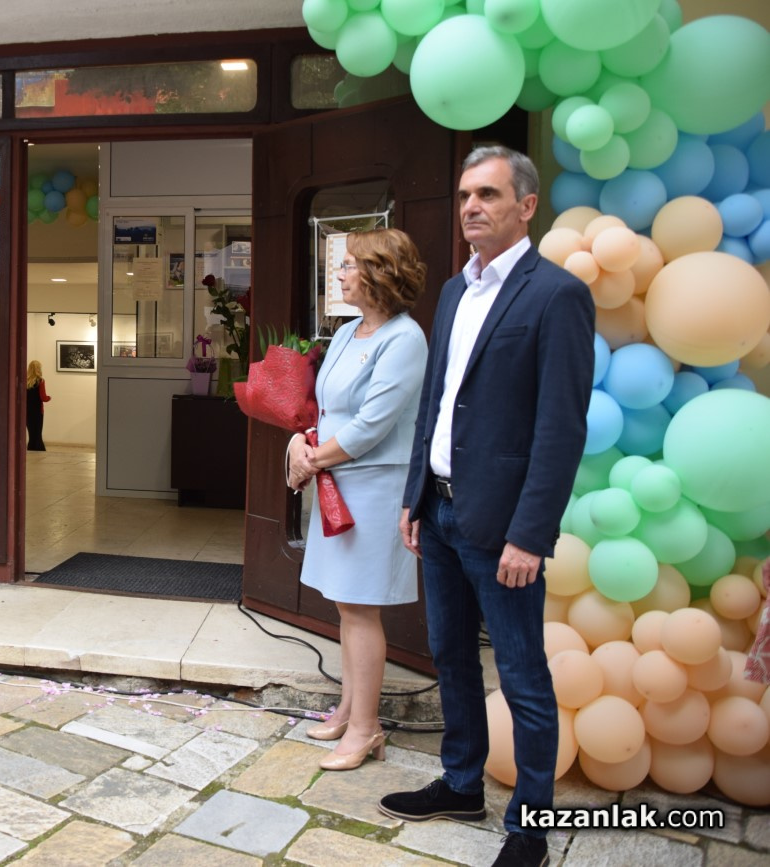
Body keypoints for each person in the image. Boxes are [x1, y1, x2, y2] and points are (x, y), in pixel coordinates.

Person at [381, 146, 595, 867]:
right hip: (440, 513)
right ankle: (461, 783)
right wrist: (414, 495)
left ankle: (529, 829)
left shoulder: (556, 295)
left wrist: (530, 534)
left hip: (503, 529)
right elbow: (435, 404)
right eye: (466, 194)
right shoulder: (453, 291)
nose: (472, 206)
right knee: (449, 656)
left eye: (489, 194)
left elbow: (560, 429)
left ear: (526, 206)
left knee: (523, 676)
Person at [286, 228, 428, 772]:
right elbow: (325, 409)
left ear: (379, 274)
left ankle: (367, 730)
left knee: (361, 607)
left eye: (349, 265)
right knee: (346, 604)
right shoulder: (347, 332)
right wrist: (302, 442)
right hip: (336, 480)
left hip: (372, 487)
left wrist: (310, 461)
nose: (340, 274)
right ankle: (349, 710)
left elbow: (372, 426)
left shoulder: (405, 339)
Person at [25, 359, 51, 452]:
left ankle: (31, 449)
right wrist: (49, 398)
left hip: (27, 411)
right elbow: (43, 397)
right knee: (38, 433)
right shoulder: (41, 381)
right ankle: (40, 450)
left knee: (31, 433)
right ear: (38, 369)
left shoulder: (25, 381)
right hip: (37, 411)